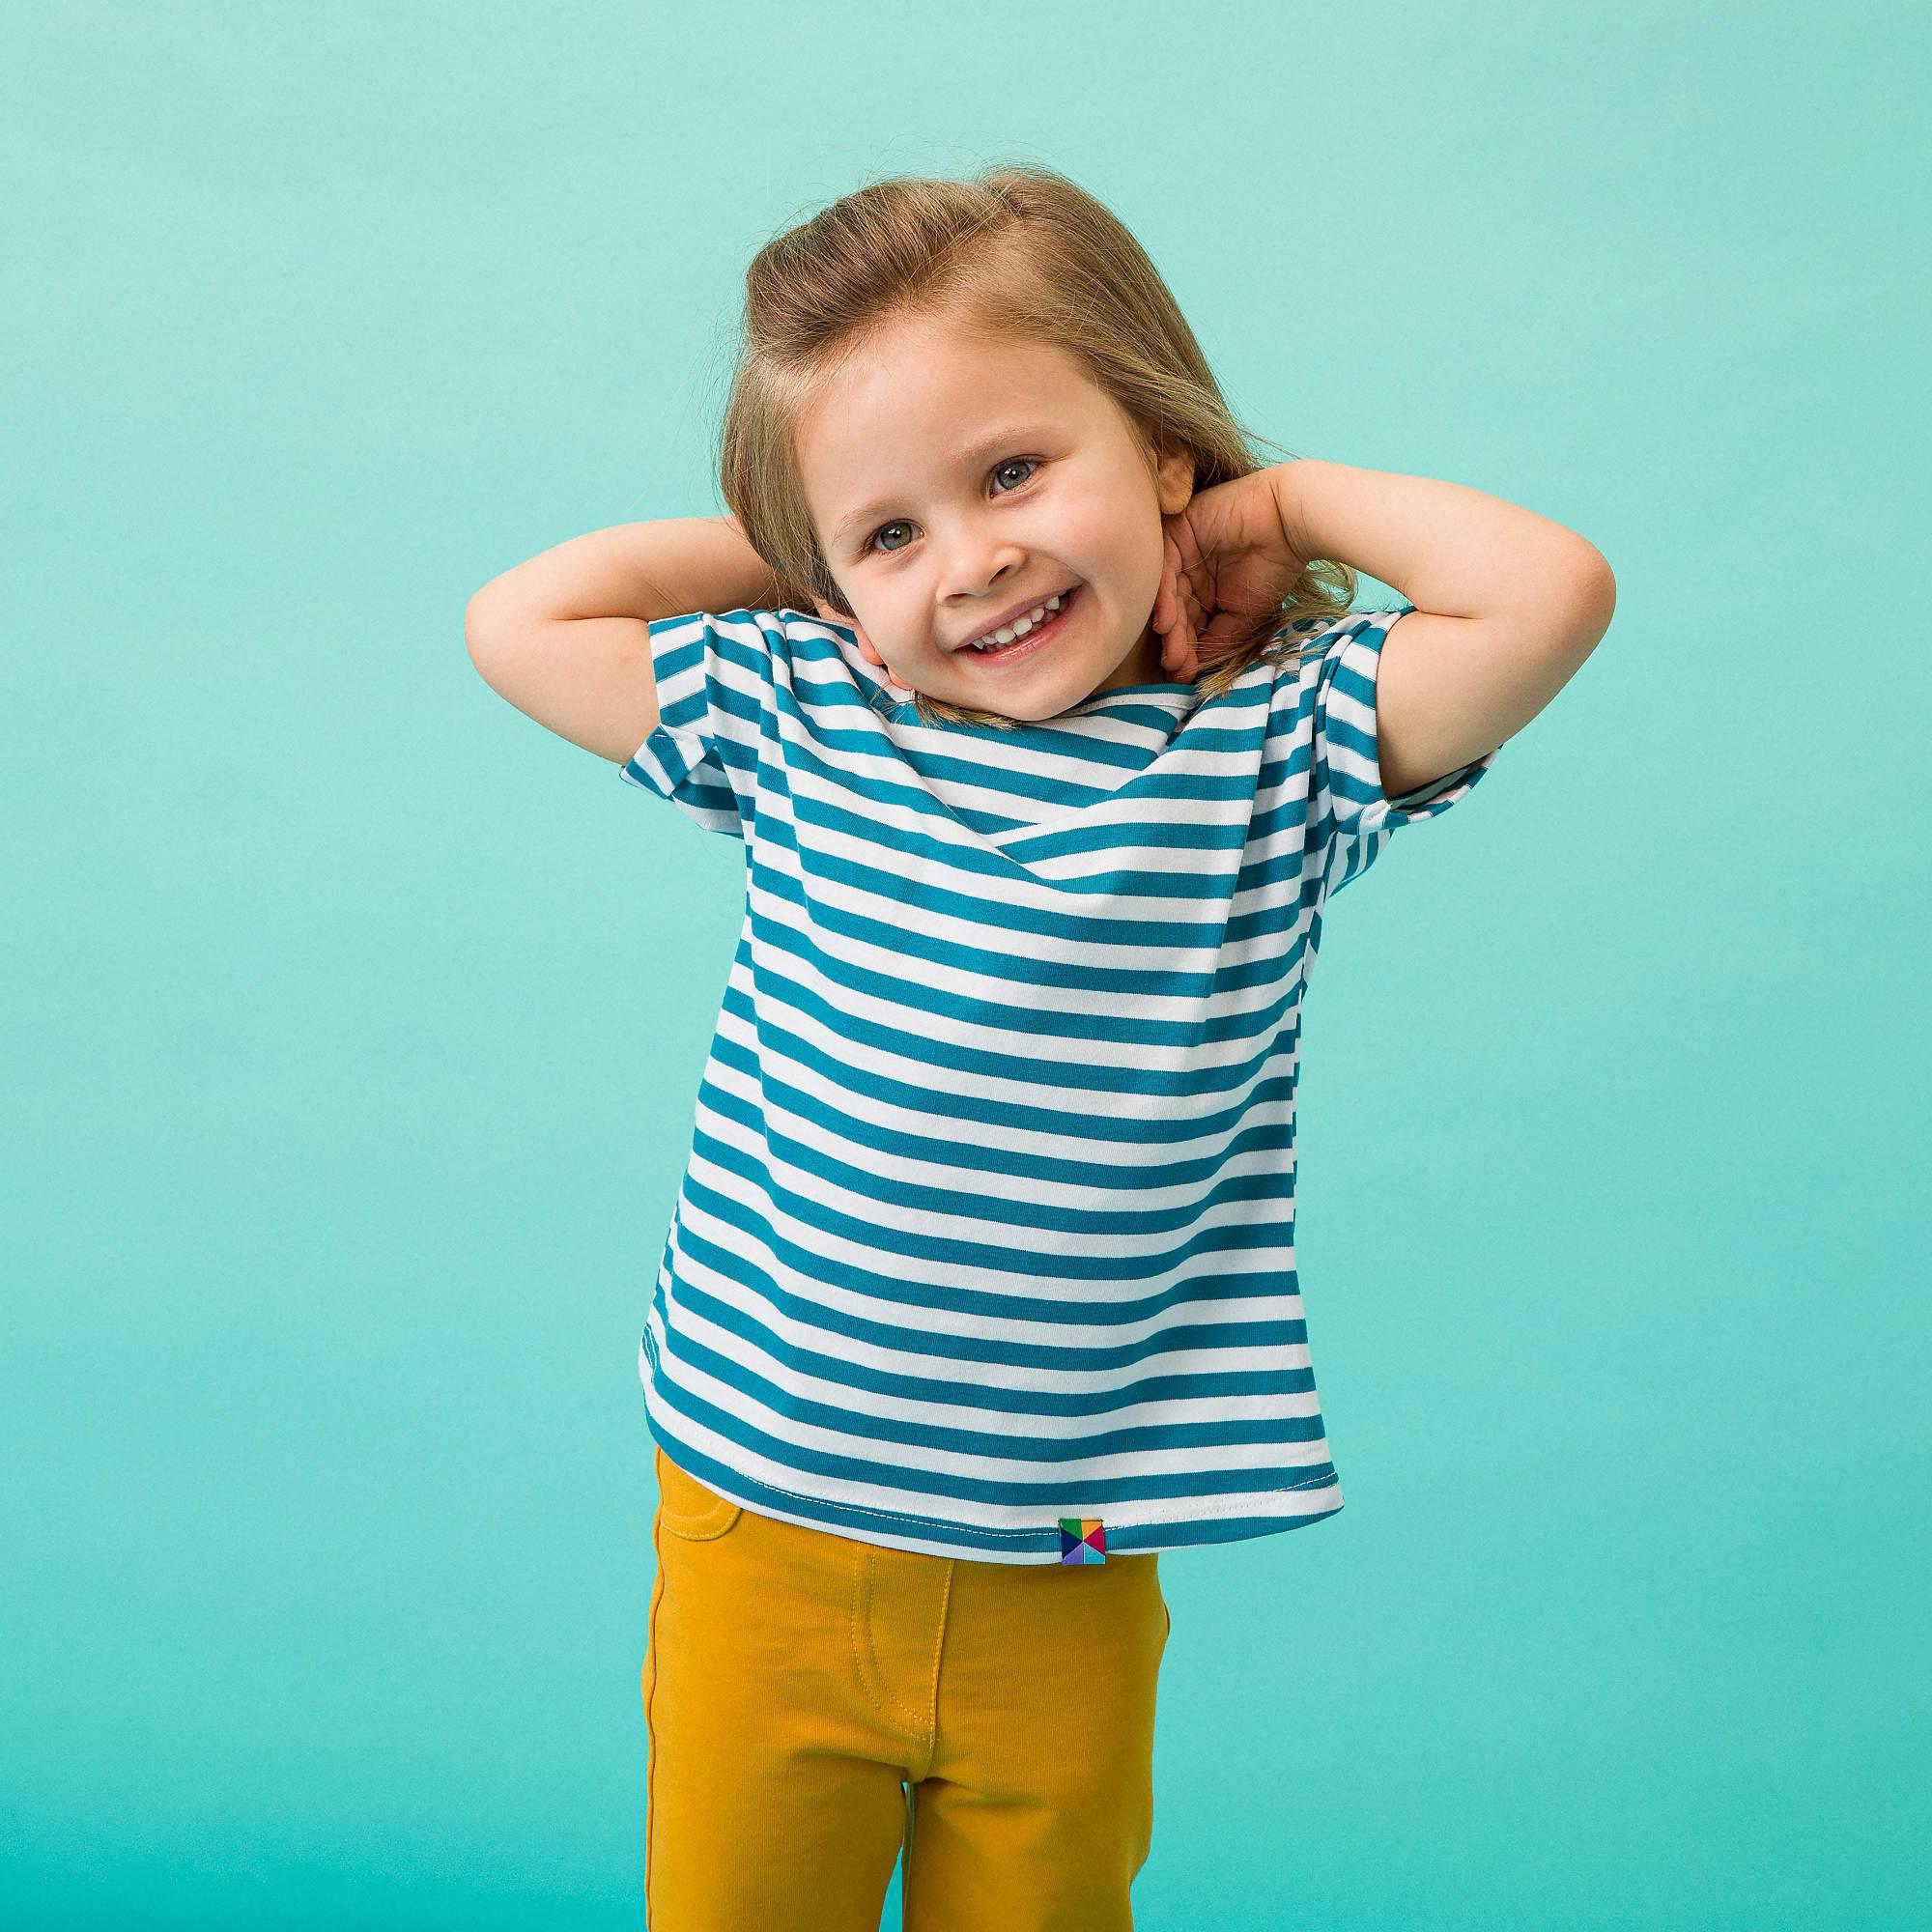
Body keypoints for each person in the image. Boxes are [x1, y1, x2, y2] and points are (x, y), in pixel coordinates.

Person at [464, 161, 1615, 1932]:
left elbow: (1549, 592)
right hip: (764, 1517)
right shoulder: (804, 708)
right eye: (892, 530)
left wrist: (1272, 506)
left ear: (1161, 451)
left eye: (1013, 472)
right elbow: (523, 618)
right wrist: (812, 563)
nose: (976, 557)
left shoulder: (1275, 751)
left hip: (1066, 1562)